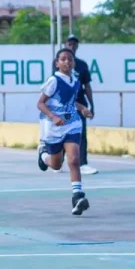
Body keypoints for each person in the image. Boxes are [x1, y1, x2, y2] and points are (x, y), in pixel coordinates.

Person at [36, 48, 93, 216]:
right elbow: (40, 103)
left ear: (73, 63)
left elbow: (71, 102)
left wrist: (82, 108)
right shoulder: (53, 80)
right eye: (63, 59)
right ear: (57, 63)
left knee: (74, 160)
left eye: (70, 59)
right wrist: (53, 117)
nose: (67, 62)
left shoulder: (75, 81)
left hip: (72, 123)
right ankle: (43, 155)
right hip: (53, 126)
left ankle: (78, 196)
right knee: (55, 164)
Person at [64, 35, 98, 175]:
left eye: (74, 44)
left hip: (80, 104)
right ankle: (58, 160)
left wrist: (91, 105)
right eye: (70, 44)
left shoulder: (82, 65)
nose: (72, 46)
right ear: (65, 45)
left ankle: (83, 163)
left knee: (81, 134)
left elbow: (87, 86)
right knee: (63, 133)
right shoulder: (60, 63)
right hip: (65, 104)